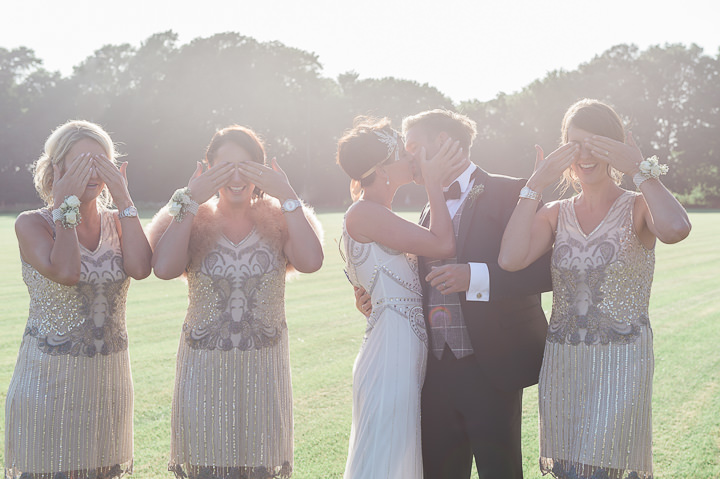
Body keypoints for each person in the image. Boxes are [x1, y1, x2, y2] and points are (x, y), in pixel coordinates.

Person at [498, 99, 691, 479]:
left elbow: (676, 228)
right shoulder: (555, 212)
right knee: (570, 471)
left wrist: (639, 168)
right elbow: (511, 258)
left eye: (596, 144)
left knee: (604, 470)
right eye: (574, 144)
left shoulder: (638, 208)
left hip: (622, 364)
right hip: (565, 363)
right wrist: (535, 184)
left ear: (615, 147)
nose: (584, 155)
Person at [354, 110, 553, 479]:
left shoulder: (511, 192)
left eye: (413, 147)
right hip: (433, 370)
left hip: (492, 366)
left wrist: (474, 276)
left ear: (444, 143)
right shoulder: (428, 207)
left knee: (500, 472)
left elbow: (547, 270)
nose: (407, 156)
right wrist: (375, 295)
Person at [148, 125, 323, 479]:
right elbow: (164, 268)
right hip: (205, 370)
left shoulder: (281, 218)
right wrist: (190, 200)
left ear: (263, 170)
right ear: (208, 169)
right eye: (225, 165)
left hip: (264, 370)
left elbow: (311, 261)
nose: (237, 175)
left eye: (246, 165)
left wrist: (287, 194)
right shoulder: (188, 215)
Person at [5, 120, 151, 479]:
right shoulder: (31, 224)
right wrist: (63, 204)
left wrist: (125, 198)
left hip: (108, 384)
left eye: (101, 162)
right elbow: (67, 272)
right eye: (82, 162)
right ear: (57, 169)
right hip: (48, 383)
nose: (93, 171)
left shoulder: (120, 221)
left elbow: (141, 267)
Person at [337, 117, 464, 478]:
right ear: (382, 170)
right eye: (400, 151)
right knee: (387, 455)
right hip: (391, 350)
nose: (411, 156)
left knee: (397, 453)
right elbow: (443, 243)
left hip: (401, 345)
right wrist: (434, 183)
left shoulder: (378, 214)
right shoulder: (364, 212)